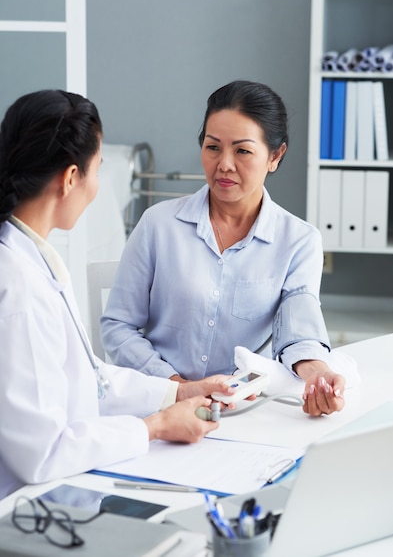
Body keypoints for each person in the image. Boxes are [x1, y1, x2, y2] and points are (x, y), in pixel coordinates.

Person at [0, 89, 236, 500]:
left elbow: (88, 378)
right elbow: (42, 454)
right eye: (97, 169)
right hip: (28, 504)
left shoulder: (32, 258)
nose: (96, 187)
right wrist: (155, 427)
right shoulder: (19, 289)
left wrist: (178, 392)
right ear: (71, 178)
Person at [101, 80, 346, 417]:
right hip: (158, 406)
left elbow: (298, 334)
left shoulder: (299, 241)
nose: (225, 164)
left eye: (242, 151)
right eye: (213, 147)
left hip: (243, 413)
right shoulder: (158, 224)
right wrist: (177, 388)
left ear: (275, 156)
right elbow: (118, 327)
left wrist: (319, 377)